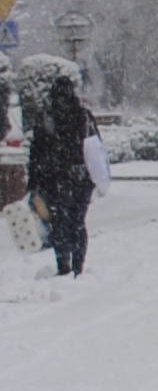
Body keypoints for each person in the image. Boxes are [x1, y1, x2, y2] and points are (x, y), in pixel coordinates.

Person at [22, 70, 97, 277]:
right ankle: (78, 265)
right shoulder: (84, 116)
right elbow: (95, 148)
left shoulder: (46, 118)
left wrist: (34, 182)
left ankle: (63, 264)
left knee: (59, 223)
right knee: (78, 222)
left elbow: (36, 152)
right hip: (81, 179)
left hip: (54, 180)